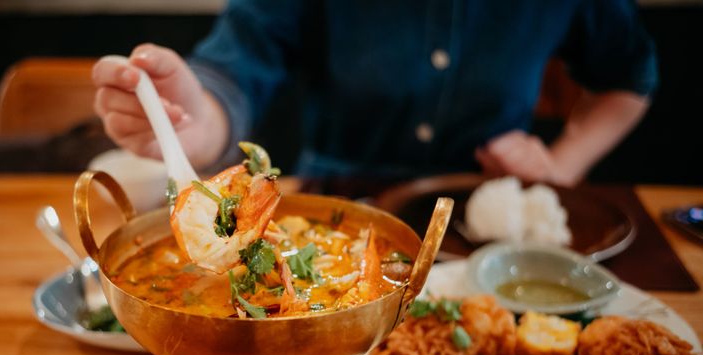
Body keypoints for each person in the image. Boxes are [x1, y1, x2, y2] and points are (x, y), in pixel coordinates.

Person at [91, 0, 657, 188]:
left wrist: (563, 164)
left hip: (491, 218)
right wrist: (191, 119)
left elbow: (630, 75)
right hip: (336, 209)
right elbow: (235, 69)